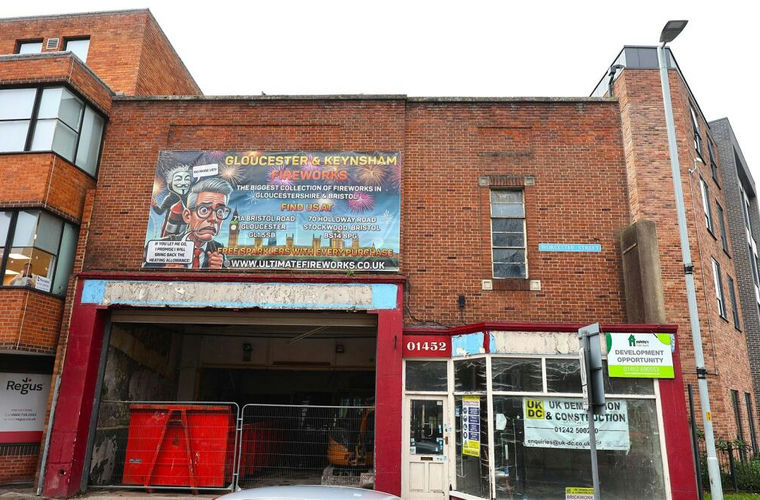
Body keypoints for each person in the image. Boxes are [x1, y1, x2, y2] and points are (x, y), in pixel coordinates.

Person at [166, 177, 233, 269]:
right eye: (204, 210)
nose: (213, 218)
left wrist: (218, 272)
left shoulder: (218, 250)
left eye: (220, 211)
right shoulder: (164, 245)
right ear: (187, 216)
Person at [151, 164, 192, 237]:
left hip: (183, 232)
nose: (183, 183)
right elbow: (160, 212)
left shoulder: (190, 198)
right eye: (178, 179)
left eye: (187, 179)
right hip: (169, 231)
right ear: (171, 183)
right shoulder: (169, 198)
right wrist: (155, 206)